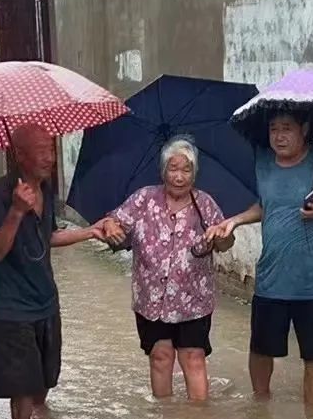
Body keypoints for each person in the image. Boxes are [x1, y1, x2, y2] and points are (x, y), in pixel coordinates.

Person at [205, 111, 313, 405]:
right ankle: (261, 405)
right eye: (273, 129)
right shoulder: (263, 162)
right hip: (272, 278)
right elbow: (266, 206)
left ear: (304, 129)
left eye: (287, 128)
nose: (279, 136)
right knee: (261, 348)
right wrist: (235, 221)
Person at [0, 124, 105, 419]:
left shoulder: (46, 189)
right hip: (10, 308)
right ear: (20, 156)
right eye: (41, 152)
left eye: (51, 149)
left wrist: (89, 232)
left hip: (45, 301)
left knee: (45, 381)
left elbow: (47, 237)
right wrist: (16, 212)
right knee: (22, 391)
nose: (50, 158)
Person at [98, 138, 233, 401]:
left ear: (195, 173)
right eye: (173, 169)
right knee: (160, 356)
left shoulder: (204, 204)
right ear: (163, 171)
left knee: (193, 357)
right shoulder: (144, 198)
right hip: (151, 298)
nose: (179, 177)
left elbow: (225, 243)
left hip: (193, 301)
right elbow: (112, 223)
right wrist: (110, 226)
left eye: (186, 170)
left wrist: (220, 236)